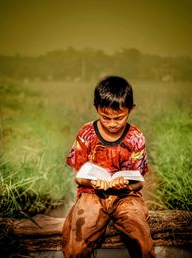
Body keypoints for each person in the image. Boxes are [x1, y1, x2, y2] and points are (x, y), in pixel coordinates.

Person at [62, 76, 155, 258]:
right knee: (78, 238)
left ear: (131, 109)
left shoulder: (136, 137)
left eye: (119, 118)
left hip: (127, 196)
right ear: (96, 108)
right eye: (106, 117)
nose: (112, 123)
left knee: (140, 232)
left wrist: (126, 185)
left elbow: (139, 184)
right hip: (91, 195)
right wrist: (95, 182)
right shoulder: (86, 134)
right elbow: (78, 177)